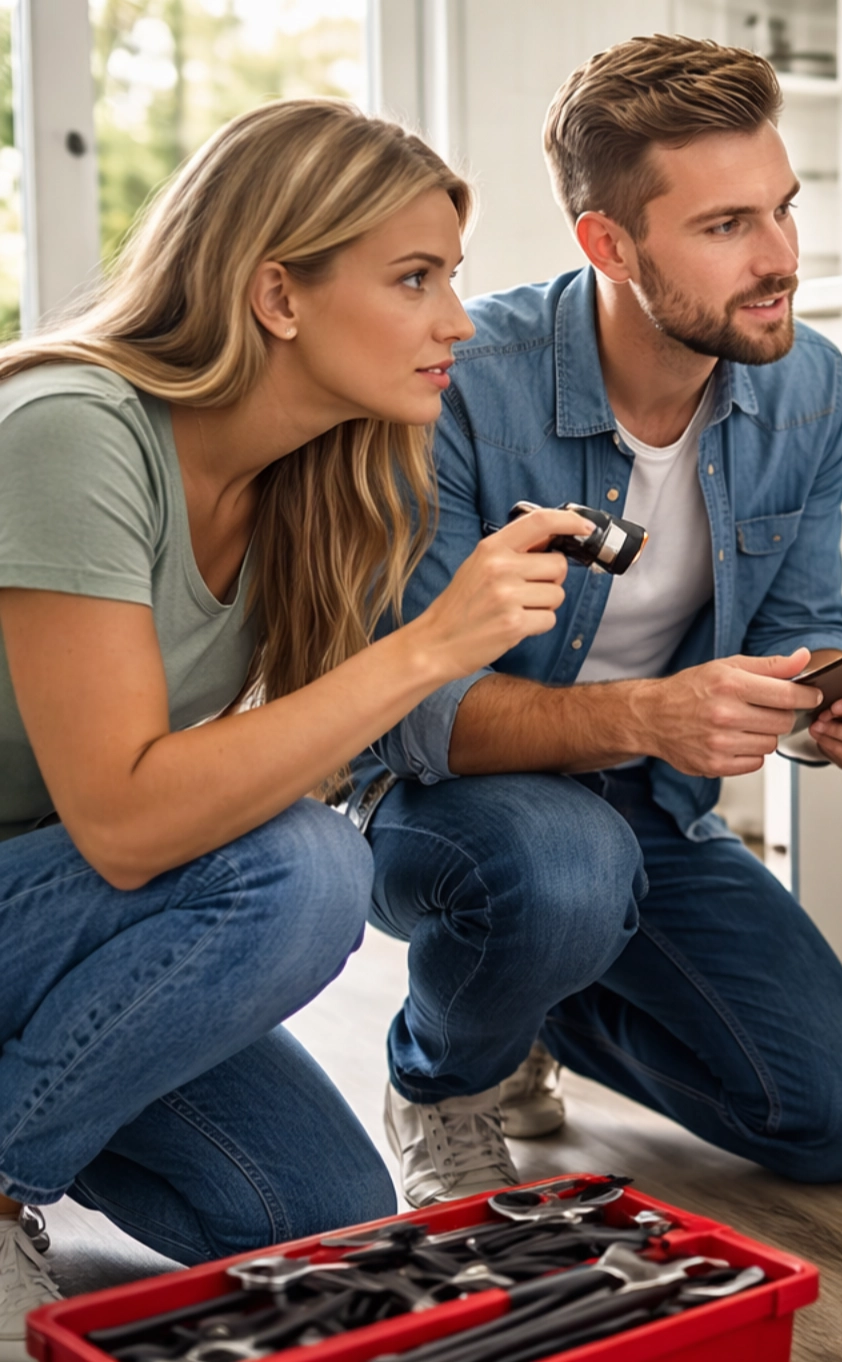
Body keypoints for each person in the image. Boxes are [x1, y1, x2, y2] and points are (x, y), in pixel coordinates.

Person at [0, 100, 597, 1359]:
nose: (457, 322)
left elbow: (317, 755)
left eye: (454, 278)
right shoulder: (74, 430)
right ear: (278, 294)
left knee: (321, 1212)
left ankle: (39, 1106)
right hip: (50, 889)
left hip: (58, 936)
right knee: (302, 867)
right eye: (414, 279)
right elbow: (124, 821)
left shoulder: (315, 486)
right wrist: (430, 646)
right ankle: (8, 1168)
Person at [355, 35, 842, 1208]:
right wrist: (651, 715)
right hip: (433, 810)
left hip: (648, 806)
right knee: (562, 860)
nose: (779, 260)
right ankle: (440, 1076)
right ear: (606, 245)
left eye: (783, 209)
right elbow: (417, 719)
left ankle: (533, 993)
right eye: (725, 228)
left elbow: (802, 627)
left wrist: (831, 714)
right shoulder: (462, 382)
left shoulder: (806, 384)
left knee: (837, 1120)